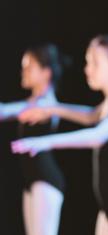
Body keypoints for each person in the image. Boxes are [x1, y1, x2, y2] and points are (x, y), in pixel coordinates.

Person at [12, 35, 108, 235]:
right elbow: (89, 115)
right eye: (88, 63)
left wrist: (44, 141)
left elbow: (96, 135)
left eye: (95, 64)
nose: (88, 70)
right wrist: (53, 109)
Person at [0, 43, 66, 235]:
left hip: (45, 180)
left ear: (46, 73)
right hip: (32, 180)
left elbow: (5, 111)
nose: (24, 72)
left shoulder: (46, 104)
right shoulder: (33, 102)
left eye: (29, 68)